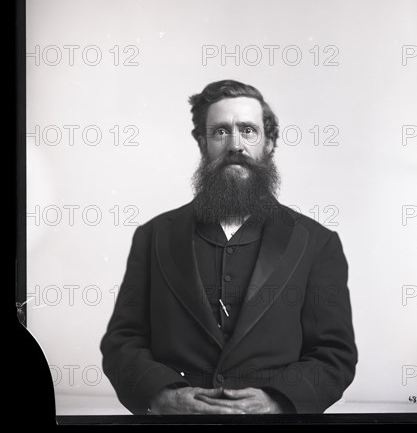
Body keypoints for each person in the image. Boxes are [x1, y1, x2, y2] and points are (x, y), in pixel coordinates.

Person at [100, 79, 357, 415]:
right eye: (221, 131)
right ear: (202, 142)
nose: (236, 145)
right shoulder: (153, 236)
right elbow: (123, 341)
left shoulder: (317, 243)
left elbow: (334, 355)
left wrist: (277, 402)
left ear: (269, 143)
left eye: (248, 130)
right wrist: (163, 398)